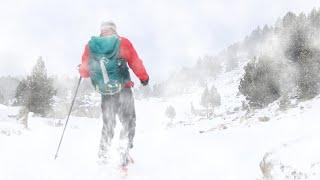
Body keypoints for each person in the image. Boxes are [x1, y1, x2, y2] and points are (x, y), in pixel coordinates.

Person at [79, 21, 149, 167]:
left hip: (106, 92)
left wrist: (81, 69)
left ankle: (103, 156)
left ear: (101, 31)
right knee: (128, 121)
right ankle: (124, 154)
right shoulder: (123, 42)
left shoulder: (91, 46)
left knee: (108, 124)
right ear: (114, 30)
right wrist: (144, 78)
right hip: (123, 89)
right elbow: (135, 62)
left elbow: (85, 72)